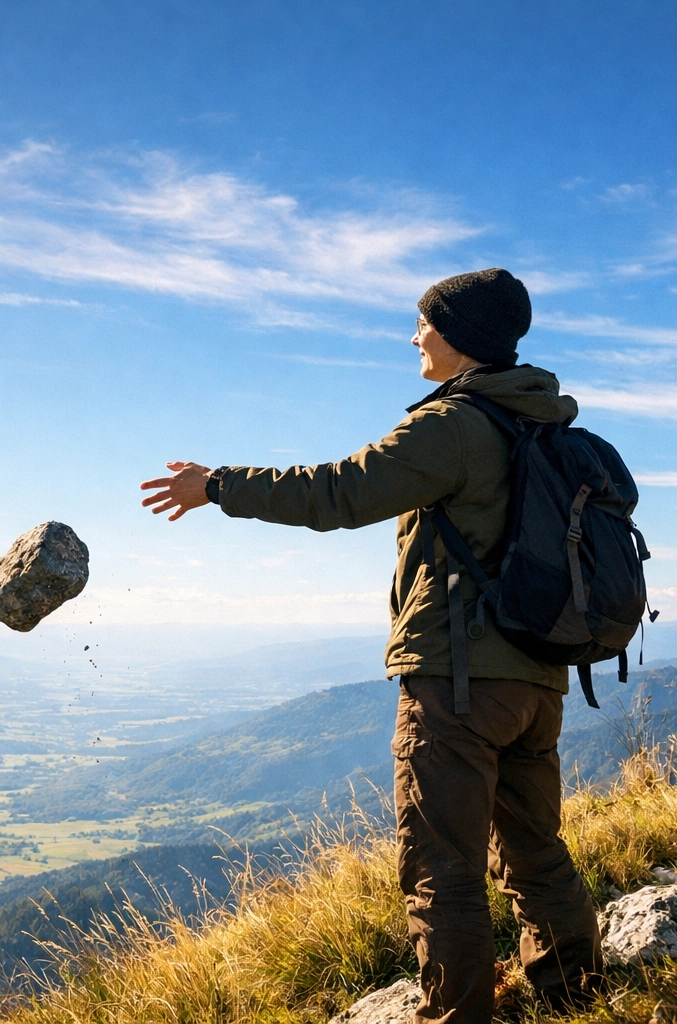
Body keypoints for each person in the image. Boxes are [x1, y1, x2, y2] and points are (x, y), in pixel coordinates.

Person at [139, 268, 603, 1023]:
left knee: (441, 870)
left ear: (457, 335)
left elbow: (339, 491)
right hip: (538, 676)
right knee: (534, 851)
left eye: (423, 323)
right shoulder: (540, 422)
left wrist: (219, 485)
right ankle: (576, 1001)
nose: (414, 336)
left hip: (457, 682)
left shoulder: (454, 425)